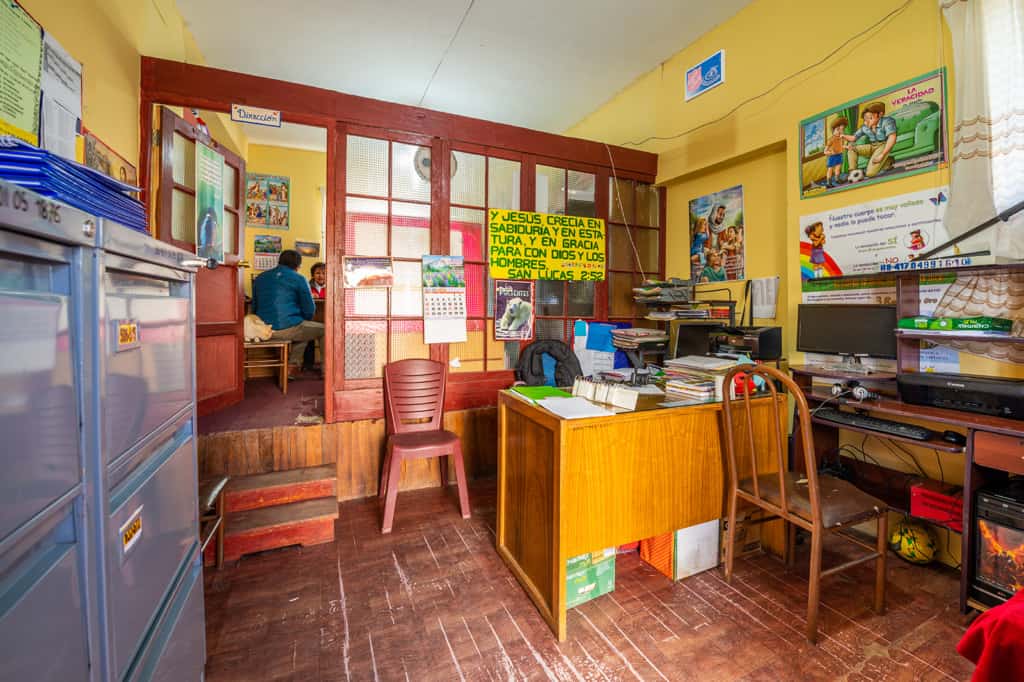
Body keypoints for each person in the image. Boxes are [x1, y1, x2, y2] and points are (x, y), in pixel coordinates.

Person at [252, 250, 323, 378]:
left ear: (279, 261)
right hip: (287, 328)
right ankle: (327, 372)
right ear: (298, 266)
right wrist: (304, 319)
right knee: (324, 330)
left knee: (303, 330)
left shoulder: (260, 278)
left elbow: (254, 306)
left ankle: (292, 368)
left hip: (261, 329)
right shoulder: (299, 279)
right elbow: (309, 309)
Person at [842, 101, 898, 180]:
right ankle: (853, 173)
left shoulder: (887, 121)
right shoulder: (865, 127)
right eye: (865, 119)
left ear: (880, 115)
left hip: (883, 145)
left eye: (870, 118)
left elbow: (892, 137)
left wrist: (882, 155)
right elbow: (853, 138)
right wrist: (843, 136)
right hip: (872, 146)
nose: (867, 122)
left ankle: (886, 160)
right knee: (852, 149)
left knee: (870, 173)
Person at [822, 117, 848, 187]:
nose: (840, 131)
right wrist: (830, 153)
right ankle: (828, 182)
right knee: (830, 169)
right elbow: (825, 151)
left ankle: (837, 179)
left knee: (838, 168)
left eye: (842, 130)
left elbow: (841, 146)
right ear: (833, 130)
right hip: (832, 156)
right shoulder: (831, 139)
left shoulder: (841, 139)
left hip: (839, 155)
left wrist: (847, 147)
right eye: (838, 129)